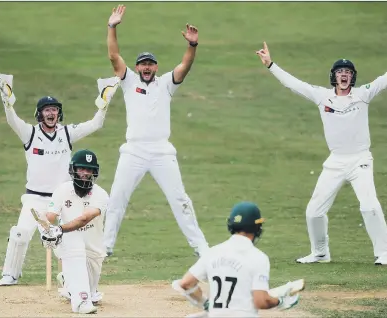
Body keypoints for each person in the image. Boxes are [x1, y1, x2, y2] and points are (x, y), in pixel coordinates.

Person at [256, 42, 387, 265]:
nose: (344, 76)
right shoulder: (322, 97)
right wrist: (270, 65)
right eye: (340, 73)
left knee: (369, 205)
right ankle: (320, 253)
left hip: (360, 159)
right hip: (335, 161)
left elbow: (384, 79)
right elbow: (294, 84)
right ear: (333, 77)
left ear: (352, 77)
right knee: (314, 212)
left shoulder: (363, 94)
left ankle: (383, 253)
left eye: (347, 73)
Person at [102, 4, 209, 258]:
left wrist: (192, 45)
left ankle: (201, 248)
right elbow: (113, 57)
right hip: (134, 151)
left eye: (150, 64)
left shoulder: (166, 84)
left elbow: (185, 65)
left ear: (156, 67)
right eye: (143, 65)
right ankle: (105, 248)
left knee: (180, 200)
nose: (146, 68)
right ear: (138, 68)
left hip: (162, 151)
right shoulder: (128, 82)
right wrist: (112, 27)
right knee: (117, 199)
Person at [0, 71, 118, 286]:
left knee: (66, 240)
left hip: (62, 198)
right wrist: (7, 100)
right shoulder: (29, 134)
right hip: (34, 198)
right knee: (20, 234)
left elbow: (95, 124)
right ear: (39, 114)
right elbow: (11, 119)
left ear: (59, 114)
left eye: (54, 110)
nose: (51, 113)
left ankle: (68, 278)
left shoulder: (67, 133)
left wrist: (104, 104)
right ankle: (10, 273)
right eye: (47, 110)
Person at [172, 202, 300, 317]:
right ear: (257, 228)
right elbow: (261, 301)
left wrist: (206, 304)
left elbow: (186, 283)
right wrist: (280, 301)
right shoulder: (258, 257)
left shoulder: (213, 252)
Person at [37, 149, 109, 314]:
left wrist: (59, 228)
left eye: (88, 169)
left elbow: (85, 218)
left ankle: (69, 282)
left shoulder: (101, 195)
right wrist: (45, 229)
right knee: (73, 241)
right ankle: (81, 303)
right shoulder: (62, 190)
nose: (84, 173)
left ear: (94, 172)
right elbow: (50, 217)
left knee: (91, 290)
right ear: (73, 169)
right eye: (81, 169)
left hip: (93, 249)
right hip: (67, 242)